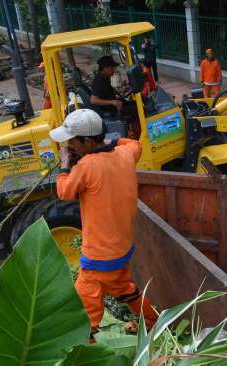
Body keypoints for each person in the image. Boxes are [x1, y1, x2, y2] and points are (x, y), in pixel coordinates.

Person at [50, 109, 159, 338]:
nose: (70, 146)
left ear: (88, 141)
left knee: (84, 307)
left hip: (98, 257)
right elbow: (134, 143)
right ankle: (152, 321)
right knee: (123, 287)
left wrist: (64, 165)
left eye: (72, 142)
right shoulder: (125, 153)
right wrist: (110, 141)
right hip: (121, 248)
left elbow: (64, 191)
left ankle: (85, 347)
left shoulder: (87, 166)